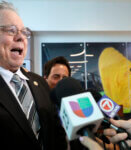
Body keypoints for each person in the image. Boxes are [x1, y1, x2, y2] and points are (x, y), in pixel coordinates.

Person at [0, 1, 67, 150]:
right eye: (11, 30)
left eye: (24, 32)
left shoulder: (39, 83)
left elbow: (57, 134)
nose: (21, 37)